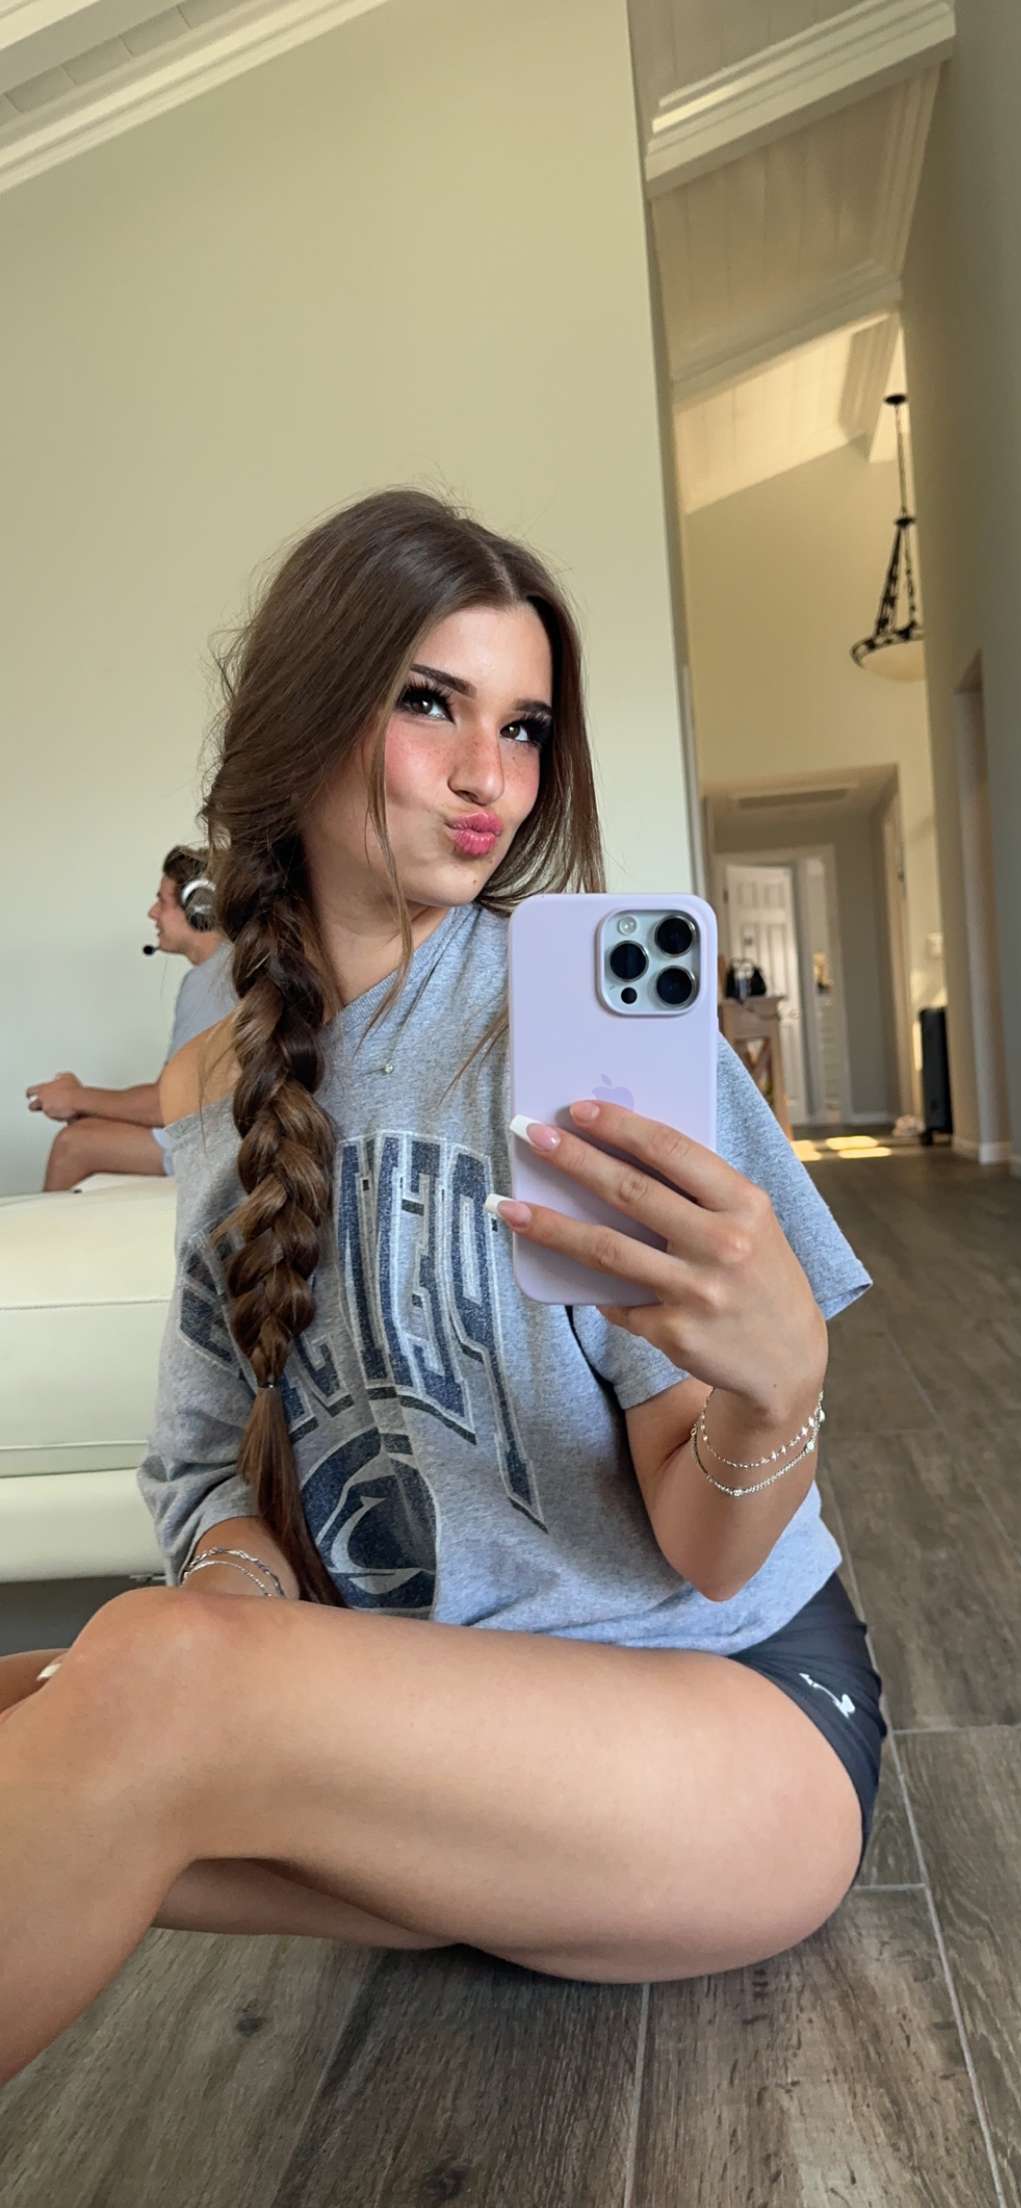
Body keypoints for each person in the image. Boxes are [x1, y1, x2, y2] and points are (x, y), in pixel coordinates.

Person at [0, 490, 884, 2082]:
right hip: (434, 1727)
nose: (492, 777)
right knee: (80, 1698)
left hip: (728, 1720)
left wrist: (779, 1392)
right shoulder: (217, 1059)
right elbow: (205, 1464)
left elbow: (709, 1554)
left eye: (525, 728)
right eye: (432, 706)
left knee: (143, 1686)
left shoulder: (576, 1030)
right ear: (307, 718)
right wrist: (239, 1594)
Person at [24, 847, 235, 1190]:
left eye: (162, 902)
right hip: (213, 1133)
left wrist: (76, 1098)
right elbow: (169, 1097)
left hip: (218, 1147)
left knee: (73, 1146)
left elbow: (167, 1106)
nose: (153, 913)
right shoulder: (224, 968)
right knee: (83, 1132)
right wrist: (84, 1102)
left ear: (200, 908)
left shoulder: (212, 980)